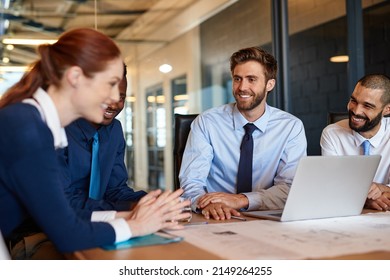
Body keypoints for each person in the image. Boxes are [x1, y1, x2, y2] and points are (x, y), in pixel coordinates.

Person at [0, 27, 189, 259]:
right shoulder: (27, 128)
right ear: (75, 77)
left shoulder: (37, 123)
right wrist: (136, 225)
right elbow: (66, 232)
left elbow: (65, 216)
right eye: (110, 84)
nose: (114, 99)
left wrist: (138, 215)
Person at [180, 46, 307, 220]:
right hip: (215, 217)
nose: (242, 87)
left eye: (251, 79)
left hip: (266, 218)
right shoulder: (207, 122)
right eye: (237, 79)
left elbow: (289, 188)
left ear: (270, 84)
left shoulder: (290, 127)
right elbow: (191, 182)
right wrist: (207, 203)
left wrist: (241, 200)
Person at [56, 64, 146, 220]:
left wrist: (148, 202)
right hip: (47, 227)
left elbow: (115, 189)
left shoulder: (114, 130)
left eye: (121, 97)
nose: (114, 104)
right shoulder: (59, 129)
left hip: (96, 222)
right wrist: (129, 208)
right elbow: (63, 202)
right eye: (106, 95)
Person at [321, 74, 390, 211]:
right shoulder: (332, 134)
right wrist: (365, 198)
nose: (356, 111)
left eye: (367, 106)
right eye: (354, 101)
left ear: (387, 109)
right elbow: (332, 186)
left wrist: (380, 189)